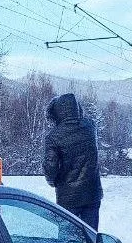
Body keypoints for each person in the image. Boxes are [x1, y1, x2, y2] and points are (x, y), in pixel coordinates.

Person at [42, 92, 104, 229]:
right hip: (92, 192)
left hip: (68, 196)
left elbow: (50, 166)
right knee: (91, 234)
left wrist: (53, 182)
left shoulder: (53, 136)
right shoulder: (90, 127)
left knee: (69, 237)